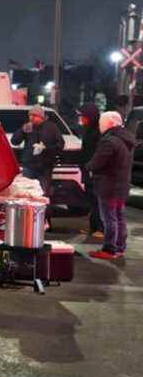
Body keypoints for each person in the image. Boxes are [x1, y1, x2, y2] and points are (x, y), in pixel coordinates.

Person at [88, 112, 134, 260]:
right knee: (119, 217)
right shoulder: (126, 139)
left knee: (109, 219)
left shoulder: (109, 141)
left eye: (102, 122)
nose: (100, 126)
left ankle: (109, 250)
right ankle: (120, 248)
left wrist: (88, 166)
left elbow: (97, 163)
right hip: (121, 186)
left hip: (109, 186)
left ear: (110, 123)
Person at [10, 105, 64, 199]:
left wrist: (46, 148)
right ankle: (29, 212)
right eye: (30, 115)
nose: (31, 118)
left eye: (34, 115)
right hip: (29, 165)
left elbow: (60, 144)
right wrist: (22, 131)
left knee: (43, 194)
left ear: (41, 117)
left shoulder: (51, 127)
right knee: (27, 192)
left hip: (45, 166)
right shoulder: (27, 127)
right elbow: (14, 141)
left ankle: (42, 212)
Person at [77, 103, 103, 238]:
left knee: (97, 199)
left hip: (94, 170)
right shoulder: (87, 129)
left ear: (90, 116)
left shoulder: (98, 130)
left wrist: (91, 167)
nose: (81, 119)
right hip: (87, 169)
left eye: (83, 116)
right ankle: (93, 228)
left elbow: (97, 152)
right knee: (91, 200)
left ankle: (100, 228)